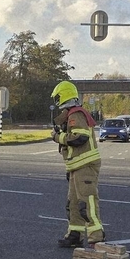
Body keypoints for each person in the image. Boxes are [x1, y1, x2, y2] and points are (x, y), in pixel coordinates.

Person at [51, 80, 105, 247]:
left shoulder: (76, 114)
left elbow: (80, 138)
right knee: (73, 204)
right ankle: (75, 235)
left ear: (63, 96)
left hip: (85, 166)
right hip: (77, 166)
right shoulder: (72, 114)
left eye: (57, 97)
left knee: (86, 202)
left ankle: (96, 236)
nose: (56, 101)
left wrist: (58, 137)